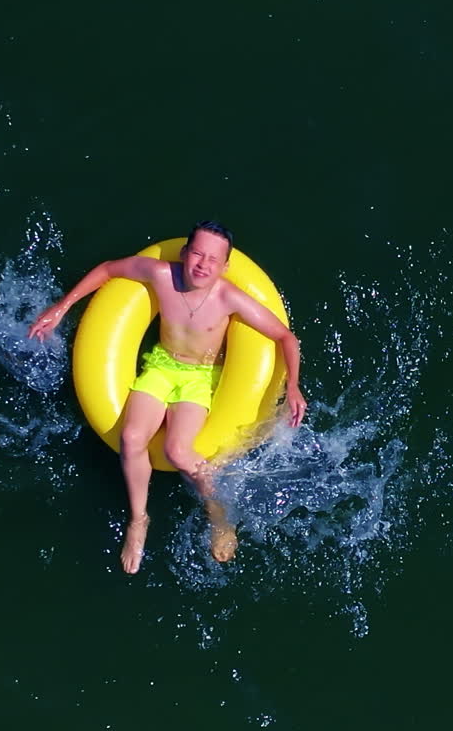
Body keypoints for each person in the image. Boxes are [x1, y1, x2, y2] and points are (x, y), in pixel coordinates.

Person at [29, 221, 307, 573]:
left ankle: (218, 516)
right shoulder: (162, 275)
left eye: (213, 259)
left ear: (225, 266)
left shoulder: (228, 298)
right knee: (132, 438)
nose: (203, 264)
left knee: (178, 451)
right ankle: (138, 520)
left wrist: (293, 385)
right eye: (197, 254)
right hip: (160, 366)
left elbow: (285, 337)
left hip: (198, 377)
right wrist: (62, 307)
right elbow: (108, 270)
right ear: (185, 253)